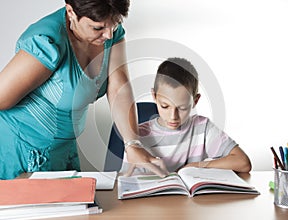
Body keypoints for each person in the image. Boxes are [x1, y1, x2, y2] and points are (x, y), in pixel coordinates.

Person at [0, 0, 168, 180]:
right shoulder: (46, 42)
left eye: (116, 23)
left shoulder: (110, 31)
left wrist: (132, 144)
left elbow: (119, 86)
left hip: (65, 147)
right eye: (98, 28)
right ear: (71, 12)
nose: (109, 34)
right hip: (23, 150)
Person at [122, 57, 252, 176]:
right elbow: (127, 180)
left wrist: (197, 166)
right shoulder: (136, 136)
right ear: (154, 96)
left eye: (182, 108)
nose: (173, 116)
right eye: (165, 106)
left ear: (195, 101)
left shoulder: (203, 127)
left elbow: (243, 162)